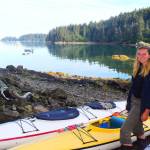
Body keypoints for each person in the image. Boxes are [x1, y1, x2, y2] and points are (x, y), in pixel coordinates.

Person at [120, 41, 150, 150]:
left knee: (124, 130)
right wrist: (129, 104)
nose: (141, 56)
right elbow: (133, 88)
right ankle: (143, 142)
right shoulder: (138, 67)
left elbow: (148, 93)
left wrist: (146, 111)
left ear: (149, 55)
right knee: (137, 128)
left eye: (144, 54)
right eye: (139, 54)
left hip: (141, 103)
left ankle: (127, 145)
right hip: (133, 100)